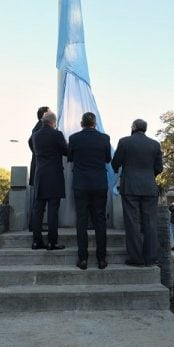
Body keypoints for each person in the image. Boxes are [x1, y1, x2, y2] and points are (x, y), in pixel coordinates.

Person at [111, 119, 163, 267]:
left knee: (132, 222)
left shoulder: (124, 142)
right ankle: (151, 258)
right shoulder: (155, 144)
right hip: (149, 188)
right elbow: (159, 168)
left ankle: (136, 258)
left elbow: (115, 163)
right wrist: (148, 175)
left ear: (133, 127)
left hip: (130, 188)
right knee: (150, 223)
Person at [67, 112, 111, 270]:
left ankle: (83, 259)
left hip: (81, 184)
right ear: (95, 123)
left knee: (82, 221)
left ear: (81, 123)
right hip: (99, 184)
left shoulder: (73, 138)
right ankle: (101, 259)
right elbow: (108, 159)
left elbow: (70, 157)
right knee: (100, 221)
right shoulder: (105, 138)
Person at [30, 111, 68, 250]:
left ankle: (36, 241)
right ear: (53, 122)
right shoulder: (57, 134)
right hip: (54, 176)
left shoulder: (35, 136)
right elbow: (66, 151)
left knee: (38, 210)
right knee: (53, 211)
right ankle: (52, 242)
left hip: (40, 175)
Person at [28, 106, 50, 233]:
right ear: (44, 115)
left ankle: (35, 224)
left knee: (38, 200)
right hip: (40, 168)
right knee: (38, 201)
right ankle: (35, 225)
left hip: (38, 168)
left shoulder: (37, 126)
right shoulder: (40, 126)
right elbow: (31, 142)